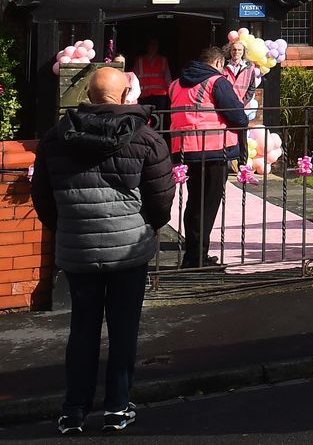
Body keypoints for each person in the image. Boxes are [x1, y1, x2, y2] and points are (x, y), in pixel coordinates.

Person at [32, 67, 174, 434]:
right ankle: (117, 406)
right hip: (128, 247)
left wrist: (66, 227)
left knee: (82, 328)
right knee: (124, 328)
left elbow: (43, 197)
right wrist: (147, 227)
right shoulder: (146, 137)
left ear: (90, 95)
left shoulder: (55, 138)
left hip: (78, 247)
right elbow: (161, 198)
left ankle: (74, 411)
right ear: (126, 94)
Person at [167, 46, 248, 269]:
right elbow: (238, 117)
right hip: (213, 151)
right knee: (208, 206)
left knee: (193, 204)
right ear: (218, 64)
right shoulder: (217, 81)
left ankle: (193, 255)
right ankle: (198, 259)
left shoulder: (175, 84)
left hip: (185, 151)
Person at [221, 40, 260, 165]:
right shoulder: (223, 68)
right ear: (230, 51)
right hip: (227, 106)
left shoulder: (250, 69)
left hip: (242, 106)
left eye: (239, 50)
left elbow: (252, 87)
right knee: (226, 135)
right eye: (234, 50)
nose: (236, 52)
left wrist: (244, 102)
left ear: (243, 52)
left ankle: (243, 165)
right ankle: (225, 164)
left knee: (242, 137)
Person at [132, 38, 171, 113]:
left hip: (160, 96)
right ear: (147, 46)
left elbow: (168, 79)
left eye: (155, 44)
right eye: (151, 44)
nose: (153, 47)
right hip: (144, 95)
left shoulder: (163, 60)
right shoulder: (140, 60)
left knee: (159, 118)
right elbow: (134, 80)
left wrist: (171, 95)